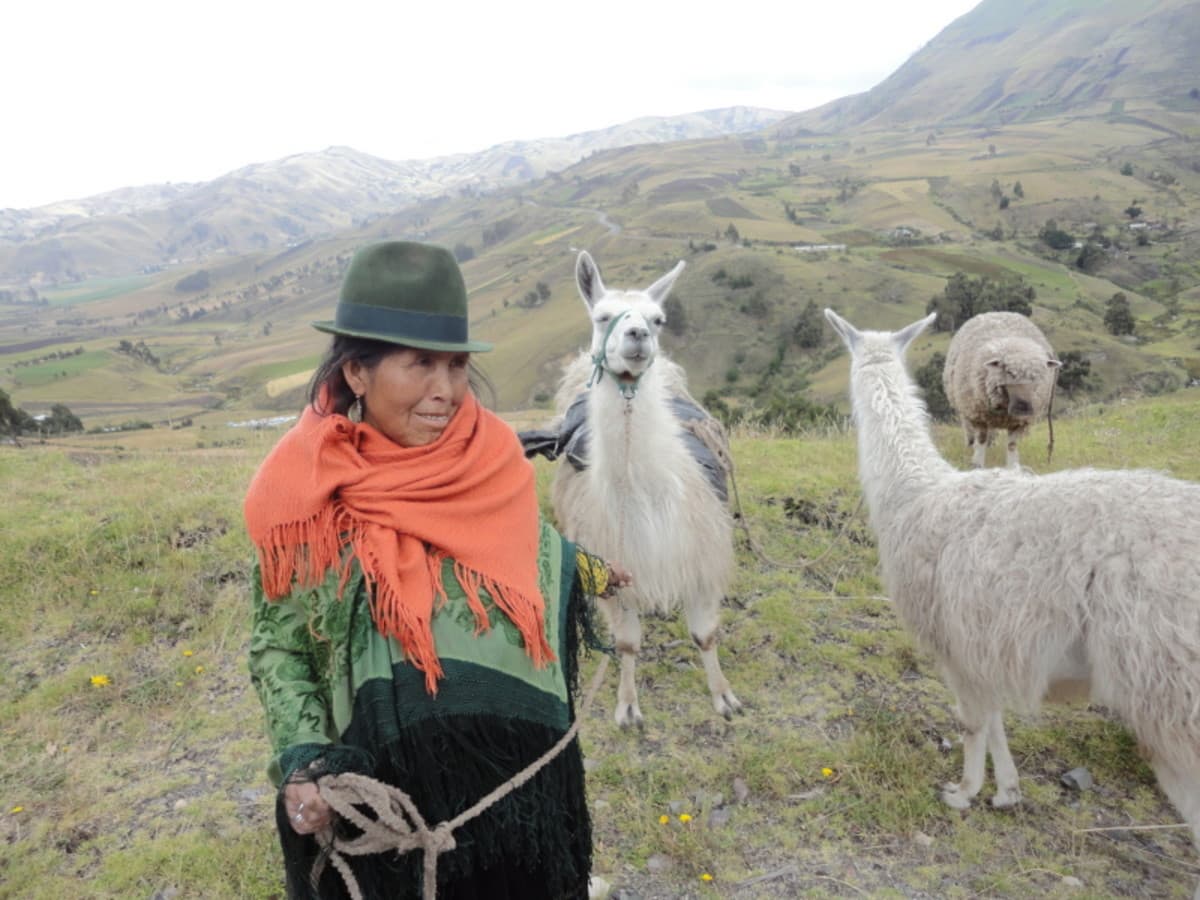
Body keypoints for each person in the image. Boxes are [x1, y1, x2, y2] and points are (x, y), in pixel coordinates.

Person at [244, 241, 628, 900]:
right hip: (386, 809)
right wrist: (306, 759)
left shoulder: (494, 461)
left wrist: (588, 572)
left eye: (454, 365)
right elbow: (280, 642)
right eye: (419, 364)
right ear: (356, 373)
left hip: (520, 795)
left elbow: (523, 552)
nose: (445, 392)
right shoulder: (306, 499)